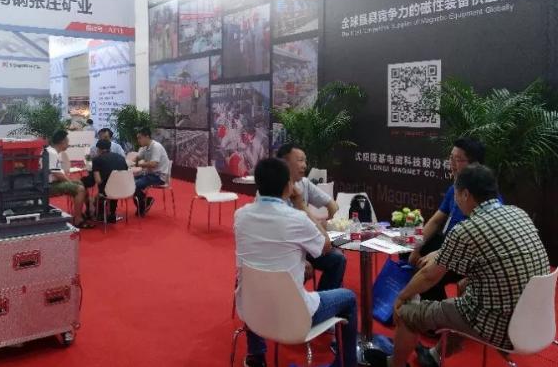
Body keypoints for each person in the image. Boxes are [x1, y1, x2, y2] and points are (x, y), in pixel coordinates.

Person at [364, 164, 550, 367]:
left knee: (407, 312)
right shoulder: (518, 213)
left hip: (498, 326)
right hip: (537, 320)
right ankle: (434, 356)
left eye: (456, 194)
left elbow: (429, 276)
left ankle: (394, 364)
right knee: (465, 291)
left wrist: (401, 297)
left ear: (465, 194)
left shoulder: (467, 229)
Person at [234, 157, 358, 367]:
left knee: (254, 282)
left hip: (252, 309)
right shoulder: (296, 218)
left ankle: (257, 355)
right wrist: (302, 205)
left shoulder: (240, 215)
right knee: (350, 298)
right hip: (293, 316)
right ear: (288, 186)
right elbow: (326, 246)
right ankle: (346, 363)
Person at [408, 137, 486, 301]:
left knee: (428, 272)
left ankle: (437, 312)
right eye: (451, 158)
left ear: (474, 165)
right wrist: (416, 247)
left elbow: (477, 242)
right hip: (449, 242)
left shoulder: (485, 196)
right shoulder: (454, 189)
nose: (451, 164)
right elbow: (436, 221)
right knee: (408, 250)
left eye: (457, 159)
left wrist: (441, 255)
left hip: (469, 253)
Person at [276, 143, 347, 291]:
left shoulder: (303, 183)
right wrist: (299, 259)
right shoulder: (272, 190)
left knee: (337, 259)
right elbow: (278, 236)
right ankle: (289, 300)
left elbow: (332, 205)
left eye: (305, 161)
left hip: (306, 246)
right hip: (285, 250)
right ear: (284, 162)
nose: (304, 165)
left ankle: (322, 301)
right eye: (300, 160)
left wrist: (329, 222)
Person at [47, 130, 93, 229]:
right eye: (67, 141)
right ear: (62, 142)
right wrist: (69, 182)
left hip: (54, 182)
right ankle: (78, 219)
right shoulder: (52, 153)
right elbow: (56, 173)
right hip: (49, 186)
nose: (68, 144)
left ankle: (86, 211)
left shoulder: (52, 151)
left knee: (80, 182)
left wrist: (70, 182)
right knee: (79, 189)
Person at [133, 127, 170, 216]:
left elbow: (154, 164)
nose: (138, 140)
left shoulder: (156, 146)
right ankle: (145, 203)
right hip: (149, 174)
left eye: (140, 138)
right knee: (130, 181)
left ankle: (143, 205)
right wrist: (133, 161)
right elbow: (137, 158)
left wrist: (139, 164)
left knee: (135, 185)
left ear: (147, 137)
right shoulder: (145, 147)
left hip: (159, 176)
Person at [91, 139, 128, 222]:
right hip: (124, 189)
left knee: (104, 189)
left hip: (107, 191)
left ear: (99, 149)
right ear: (110, 148)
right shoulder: (121, 158)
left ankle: (101, 213)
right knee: (114, 186)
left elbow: (98, 180)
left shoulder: (96, 160)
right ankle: (112, 213)